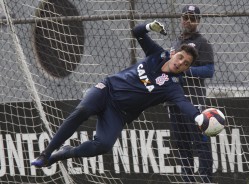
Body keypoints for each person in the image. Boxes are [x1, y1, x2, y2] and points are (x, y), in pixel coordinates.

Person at [31, 20, 208, 168]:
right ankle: (45, 154)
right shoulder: (157, 54)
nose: (180, 63)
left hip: (118, 113)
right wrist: (148, 27)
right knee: (83, 110)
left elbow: (183, 103)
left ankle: (64, 153)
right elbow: (137, 32)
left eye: (186, 63)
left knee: (103, 146)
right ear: (174, 54)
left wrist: (198, 117)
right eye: (180, 57)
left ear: (187, 68)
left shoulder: (173, 86)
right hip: (106, 90)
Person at [167, 5, 215, 183]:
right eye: (185, 17)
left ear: (198, 21)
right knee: (181, 143)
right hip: (174, 101)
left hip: (194, 101)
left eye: (192, 18)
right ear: (181, 18)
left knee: (200, 142)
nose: (188, 20)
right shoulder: (176, 42)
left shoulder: (202, 43)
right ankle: (187, 178)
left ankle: (205, 179)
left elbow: (209, 70)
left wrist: (185, 70)